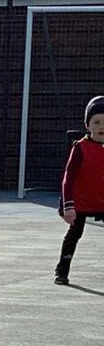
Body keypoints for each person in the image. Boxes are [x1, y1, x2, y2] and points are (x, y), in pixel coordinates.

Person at [55, 95, 104, 285]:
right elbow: (68, 179)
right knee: (74, 234)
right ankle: (62, 270)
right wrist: (68, 206)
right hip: (81, 202)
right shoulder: (80, 148)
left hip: (101, 200)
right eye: (96, 122)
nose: (101, 126)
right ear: (87, 125)